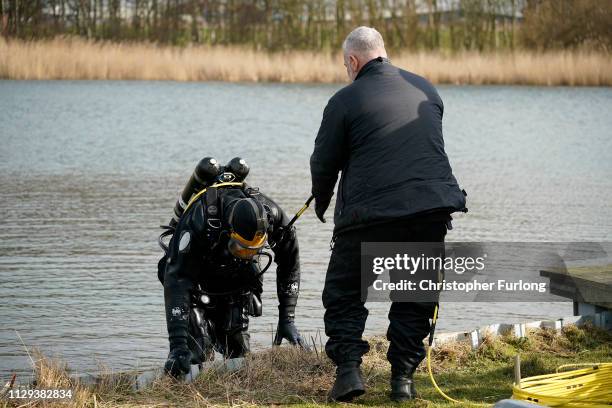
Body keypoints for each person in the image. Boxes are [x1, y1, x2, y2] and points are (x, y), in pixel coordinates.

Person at [309, 26, 467, 402]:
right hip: (430, 209)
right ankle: (402, 381)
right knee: (414, 295)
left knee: (345, 293)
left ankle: (348, 373)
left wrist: (321, 199)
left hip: (370, 215)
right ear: (383, 52)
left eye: (346, 65)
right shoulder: (427, 89)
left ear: (353, 61)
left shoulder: (344, 100)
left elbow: (323, 161)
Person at [159, 159, 304, 378]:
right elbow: (176, 279)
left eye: (254, 251)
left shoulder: (273, 214)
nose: (248, 254)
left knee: (239, 357)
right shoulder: (199, 220)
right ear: (229, 230)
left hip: (237, 281)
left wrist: (287, 319)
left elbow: (290, 261)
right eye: (242, 248)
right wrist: (177, 346)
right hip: (196, 280)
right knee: (197, 354)